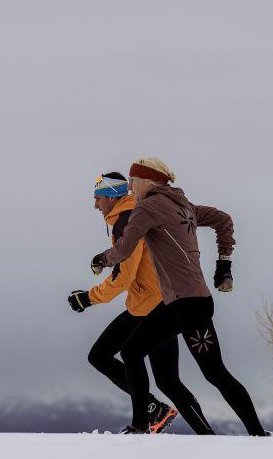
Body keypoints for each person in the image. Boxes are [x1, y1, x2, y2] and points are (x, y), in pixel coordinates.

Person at [90, 158, 267, 435]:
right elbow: (224, 220)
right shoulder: (185, 206)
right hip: (192, 303)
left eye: (133, 181)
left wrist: (102, 258)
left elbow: (125, 249)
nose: (130, 188)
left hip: (183, 306)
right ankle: (258, 433)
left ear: (148, 182)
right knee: (213, 373)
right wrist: (224, 265)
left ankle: (139, 426)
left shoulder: (147, 207)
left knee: (134, 353)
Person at [69, 172, 214, 434]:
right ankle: (203, 432)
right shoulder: (130, 216)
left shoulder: (127, 221)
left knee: (100, 355)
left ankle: (146, 417)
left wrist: (88, 298)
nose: (94, 205)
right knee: (168, 381)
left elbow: (123, 276)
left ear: (113, 198)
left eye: (98, 198)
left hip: (149, 305)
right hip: (159, 301)